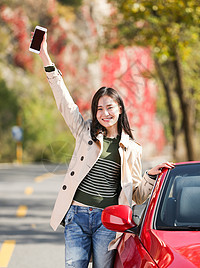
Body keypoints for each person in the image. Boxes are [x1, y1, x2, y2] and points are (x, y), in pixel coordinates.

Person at [32, 31, 174, 268]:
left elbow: (137, 195)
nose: (104, 113)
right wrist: (46, 57)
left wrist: (150, 176)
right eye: (99, 109)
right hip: (76, 216)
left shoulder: (132, 148)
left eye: (109, 107)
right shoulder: (85, 132)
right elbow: (64, 102)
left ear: (119, 108)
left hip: (107, 220)